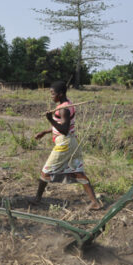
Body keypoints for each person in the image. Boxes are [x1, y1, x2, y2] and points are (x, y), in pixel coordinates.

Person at [33, 81, 103, 210]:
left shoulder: (63, 109)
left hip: (64, 144)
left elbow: (64, 129)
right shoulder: (67, 104)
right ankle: (95, 202)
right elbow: (64, 125)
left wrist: (50, 119)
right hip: (72, 142)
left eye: (52, 94)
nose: (51, 96)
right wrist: (45, 131)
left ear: (60, 94)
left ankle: (37, 199)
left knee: (45, 171)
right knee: (77, 172)